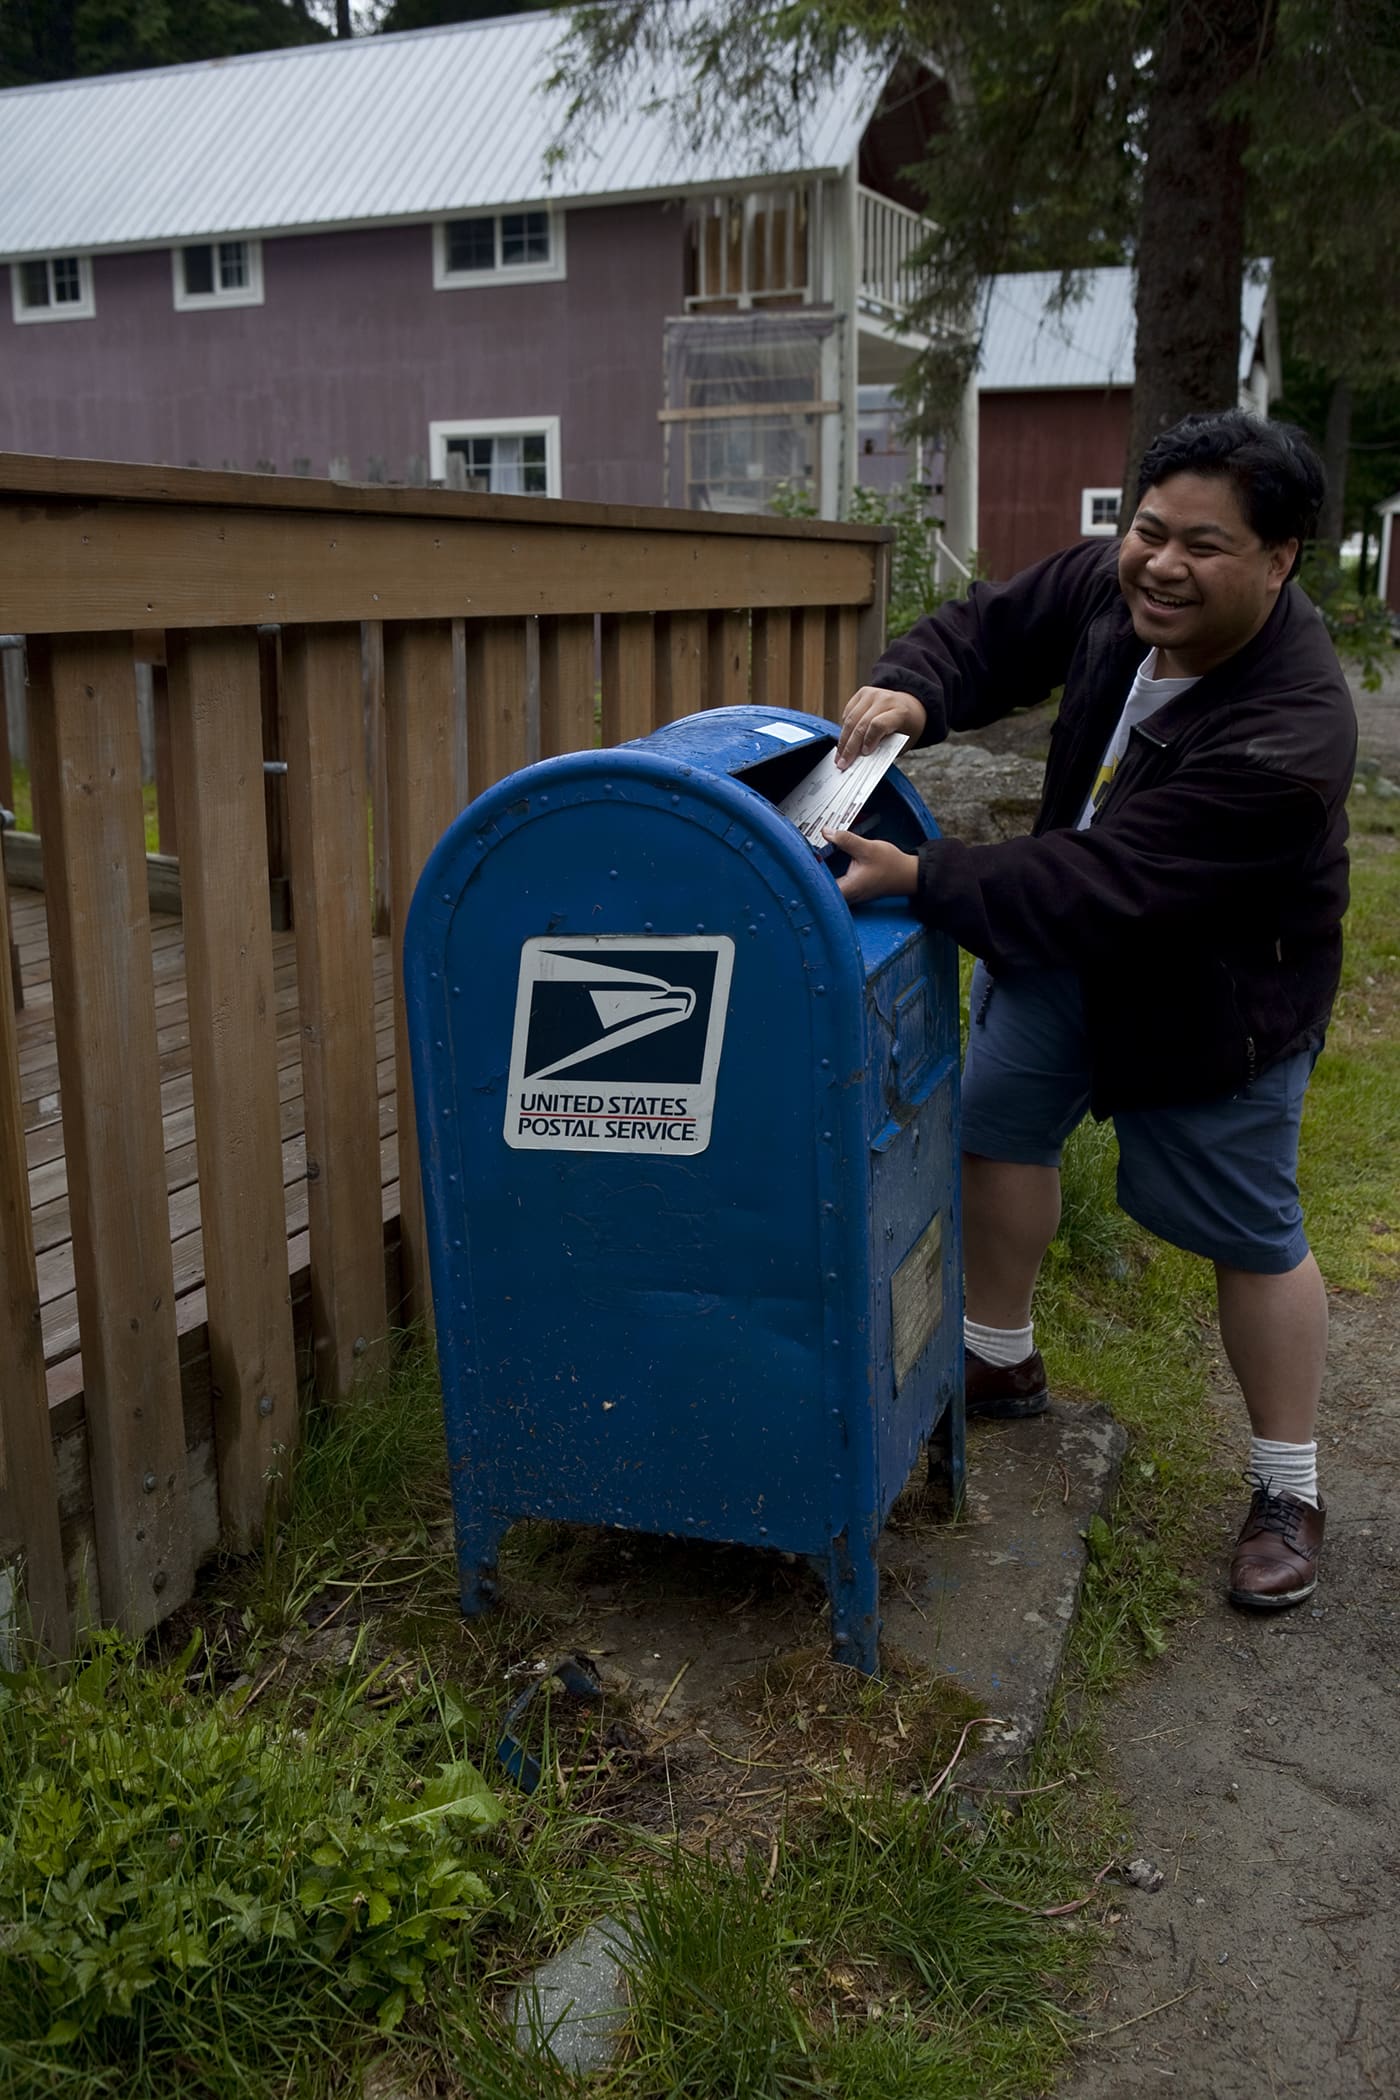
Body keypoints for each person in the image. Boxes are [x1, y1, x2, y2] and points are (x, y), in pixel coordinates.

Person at [825, 409, 1356, 1612]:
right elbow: (991, 632)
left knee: (1244, 1224)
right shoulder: (1122, 588)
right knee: (997, 1125)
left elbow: (1116, 880)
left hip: (1208, 991)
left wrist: (926, 879)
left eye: (1204, 546)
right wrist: (912, 689)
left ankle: (1286, 1483)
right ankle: (998, 1362)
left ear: (1277, 561)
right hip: (1055, 934)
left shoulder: (1289, 734)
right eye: (1148, 529)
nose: (1161, 564)